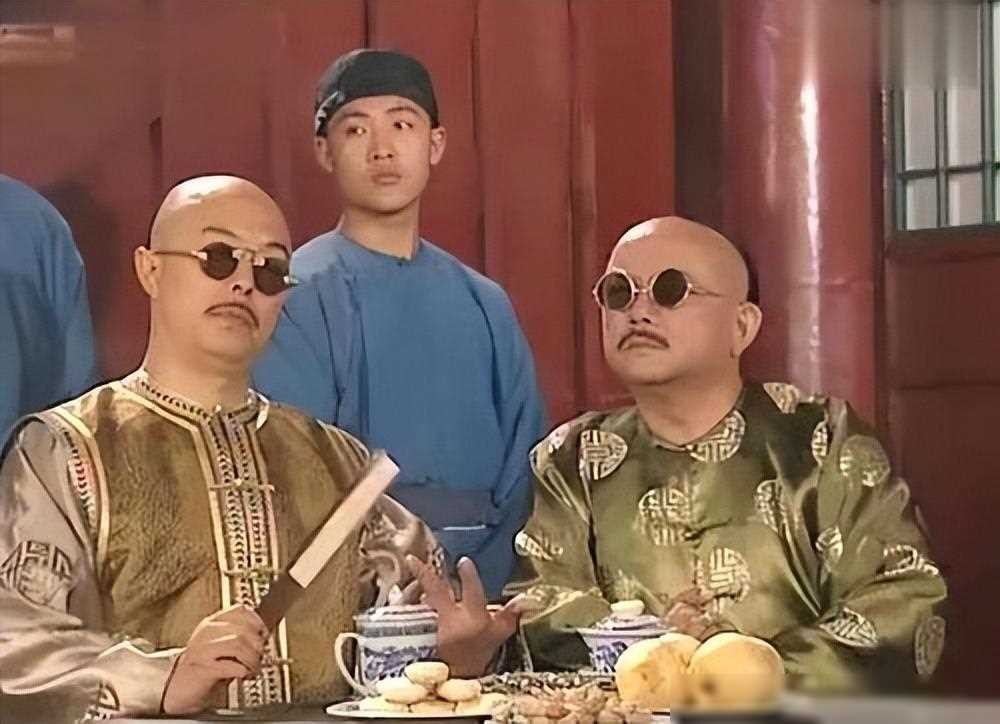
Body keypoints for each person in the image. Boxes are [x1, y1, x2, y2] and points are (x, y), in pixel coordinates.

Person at [410, 217, 947, 692]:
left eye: (670, 290)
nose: (638, 311)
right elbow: (543, 603)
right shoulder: (572, 458)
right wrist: (656, 643)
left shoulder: (821, 440)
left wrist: (739, 672)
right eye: (619, 293)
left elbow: (904, 597)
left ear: (742, 326)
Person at [0, 176, 442, 723]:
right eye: (217, 258)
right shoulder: (66, 450)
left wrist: (458, 648)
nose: (243, 284)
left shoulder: (338, 461)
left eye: (270, 270)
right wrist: (161, 680)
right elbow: (16, 645)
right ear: (150, 269)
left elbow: (415, 623)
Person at [254, 49, 546, 599]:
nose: (382, 149)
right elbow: (300, 476)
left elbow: (525, 478)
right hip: (357, 595)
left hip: (488, 595)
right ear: (324, 151)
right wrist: (402, 593)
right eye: (355, 129)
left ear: (435, 144)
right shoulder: (299, 294)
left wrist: (479, 597)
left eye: (402, 125)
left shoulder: (486, 304)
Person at [0, 174, 98, 444]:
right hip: (31, 456)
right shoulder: (38, 219)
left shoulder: (36, 221)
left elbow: (79, 386)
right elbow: (79, 385)